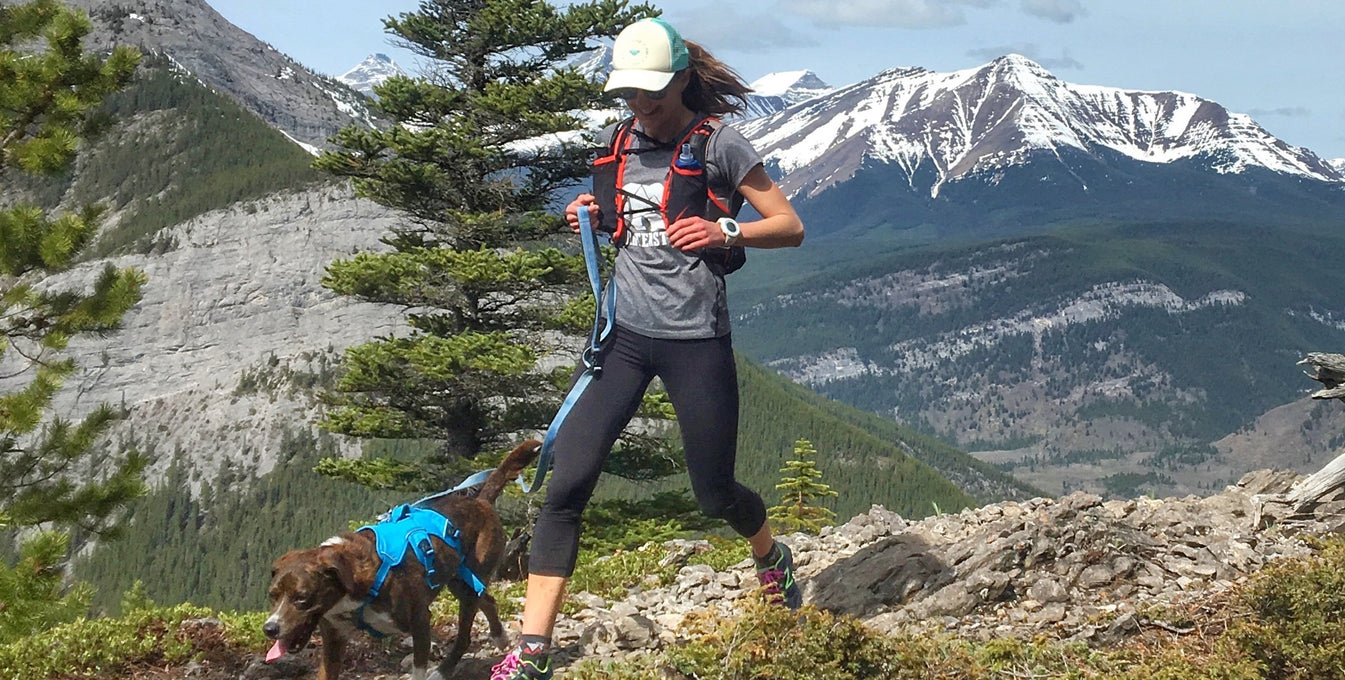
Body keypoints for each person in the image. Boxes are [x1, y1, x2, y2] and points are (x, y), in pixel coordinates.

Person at [489, 17, 805, 680]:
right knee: (565, 485)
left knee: (714, 492)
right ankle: (534, 653)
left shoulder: (719, 143)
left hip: (695, 341)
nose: (638, 105)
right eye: (628, 93)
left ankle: (769, 555)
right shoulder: (616, 143)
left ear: (683, 79)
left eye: (651, 93)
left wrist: (726, 230)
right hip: (622, 339)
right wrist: (589, 213)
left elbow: (788, 226)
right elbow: (623, 220)